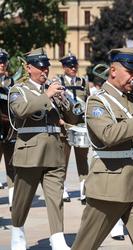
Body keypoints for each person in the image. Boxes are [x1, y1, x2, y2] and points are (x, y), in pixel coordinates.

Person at [71, 47, 133, 250]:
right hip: (109, 186)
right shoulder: (98, 100)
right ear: (113, 70)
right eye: (130, 72)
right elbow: (108, 135)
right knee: (85, 246)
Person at [9, 48, 70, 250]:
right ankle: (17, 231)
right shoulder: (18, 90)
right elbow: (21, 110)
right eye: (40, 67)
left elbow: (73, 117)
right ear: (28, 68)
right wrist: (47, 95)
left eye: (46, 66)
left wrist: (66, 102)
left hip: (54, 150)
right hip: (30, 152)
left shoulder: (51, 89)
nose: (44, 70)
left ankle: (58, 237)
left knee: (55, 198)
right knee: (22, 199)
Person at [58, 52, 89, 204]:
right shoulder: (58, 81)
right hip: (64, 126)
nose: (73, 68)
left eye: (75, 65)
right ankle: (61, 188)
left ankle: (84, 190)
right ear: (64, 67)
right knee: (62, 160)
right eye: (70, 66)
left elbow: (88, 100)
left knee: (82, 159)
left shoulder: (83, 81)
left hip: (79, 125)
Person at [0, 48, 16, 210]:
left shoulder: (11, 83)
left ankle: (13, 200)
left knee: (11, 166)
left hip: (9, 130)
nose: (2, 64)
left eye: (4, 61)